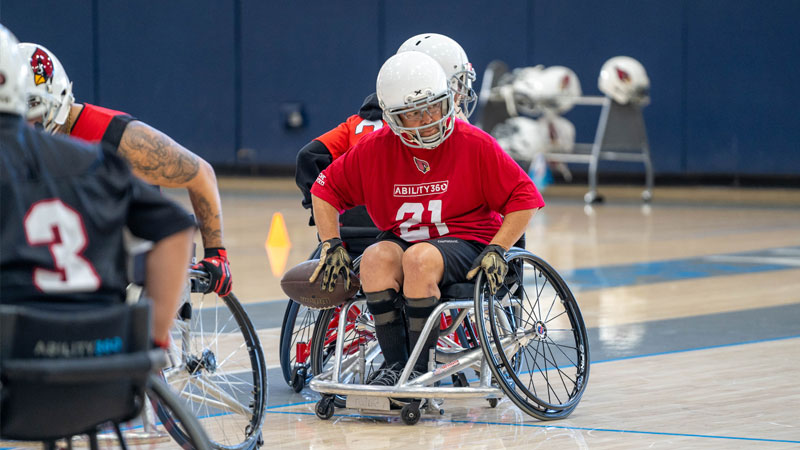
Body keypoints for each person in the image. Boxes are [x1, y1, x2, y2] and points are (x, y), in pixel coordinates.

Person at [308, 51, 545, 384]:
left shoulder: (473, 143)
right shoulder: (375, 149)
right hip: (406, 238)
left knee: (419, 259)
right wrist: (330, 243)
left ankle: (418, 371)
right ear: (393, 118)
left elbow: (525, 198)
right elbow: (324, 189)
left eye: (433, 106)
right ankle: (395, 368)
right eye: (414, 114)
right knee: (374, 259)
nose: (428, 118)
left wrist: (499, 248)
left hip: (466, 240)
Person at [0, 24, 196, 344]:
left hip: (22, 364)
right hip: (106, 355)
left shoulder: (114, 133)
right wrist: (151, 342)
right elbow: (176, 227)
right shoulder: (97, 160)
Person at [17, 42, 232, 296]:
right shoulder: (19, 142)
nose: (22, 123)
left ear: (55, 102)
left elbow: (201, 174)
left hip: (129, 247)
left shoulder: (117, 136)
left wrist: (216, 253)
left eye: (30, 111)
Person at [295, 32, 477, 250]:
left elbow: (309, 156)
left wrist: (326, 214)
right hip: (412, 229)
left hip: (351, 229)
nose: (461, 93)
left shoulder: (357, 124)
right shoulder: (437, 128)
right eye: (458, 83)